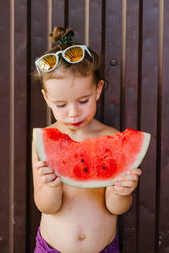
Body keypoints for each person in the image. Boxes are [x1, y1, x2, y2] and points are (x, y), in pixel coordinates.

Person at [32, 26, 142, 253]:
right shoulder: (43, 140)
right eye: (61, 105)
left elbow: (115, 208)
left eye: (83, 101)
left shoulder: (111, 138)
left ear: (98, 90)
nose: (73, 112)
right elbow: (46, 206)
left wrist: (121, 192)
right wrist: (51, 187)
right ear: (47, 99)